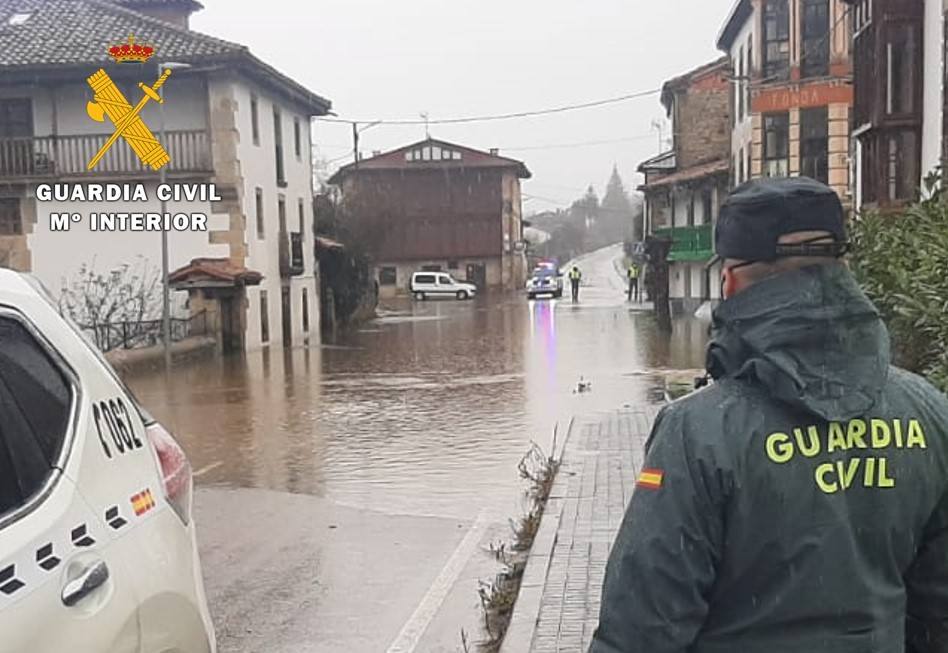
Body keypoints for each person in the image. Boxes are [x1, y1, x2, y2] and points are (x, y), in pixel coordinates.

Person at [591, 177, 948, 653]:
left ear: (731, 281)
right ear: (843, 268)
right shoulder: (928, 411)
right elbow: (937, 609)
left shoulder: (696, 434)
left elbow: (640, 632)